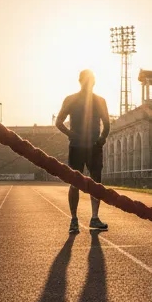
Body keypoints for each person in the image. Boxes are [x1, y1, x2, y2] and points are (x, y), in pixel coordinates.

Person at [55, 69, 111, 233]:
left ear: (94, 82)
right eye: (85, 80)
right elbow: (59, 122)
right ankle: (74, 219)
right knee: (75, 183)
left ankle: (94, 217)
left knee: (96, 182)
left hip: (94, 146)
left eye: (90, 80)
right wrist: (70, 134)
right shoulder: (71, 99)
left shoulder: (100, 101)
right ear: (80, 81)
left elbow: (107, 124)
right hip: (77, 146)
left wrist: (102, 139)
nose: (88, 83)